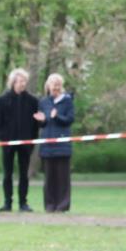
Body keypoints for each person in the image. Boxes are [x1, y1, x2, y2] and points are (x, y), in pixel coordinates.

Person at [0, 67, 40, 212]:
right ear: (13, 82)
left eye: (25, 81)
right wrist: (4, 138)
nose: (23, 84)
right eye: (20, 81)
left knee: (24, 174)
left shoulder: (32, 101)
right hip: (8, 144)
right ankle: (8, 203)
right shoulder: (2, 100)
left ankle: (23, 203)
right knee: (8, 174)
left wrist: (31, 140)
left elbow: (36, 123)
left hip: (26, 144)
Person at [34, 73, 75, 212]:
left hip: (63, 145)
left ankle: (62, 205)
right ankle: (50, 205)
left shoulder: (67, 101)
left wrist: (57, 116)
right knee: (49, 178)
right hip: (47, 146)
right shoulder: (43, 102)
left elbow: (69, 119)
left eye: (58, 84)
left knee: (63, 177)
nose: (55, 87)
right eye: (53, 84)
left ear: (61, 86)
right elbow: (43, 124)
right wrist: (42, 120)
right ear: (48, 86)